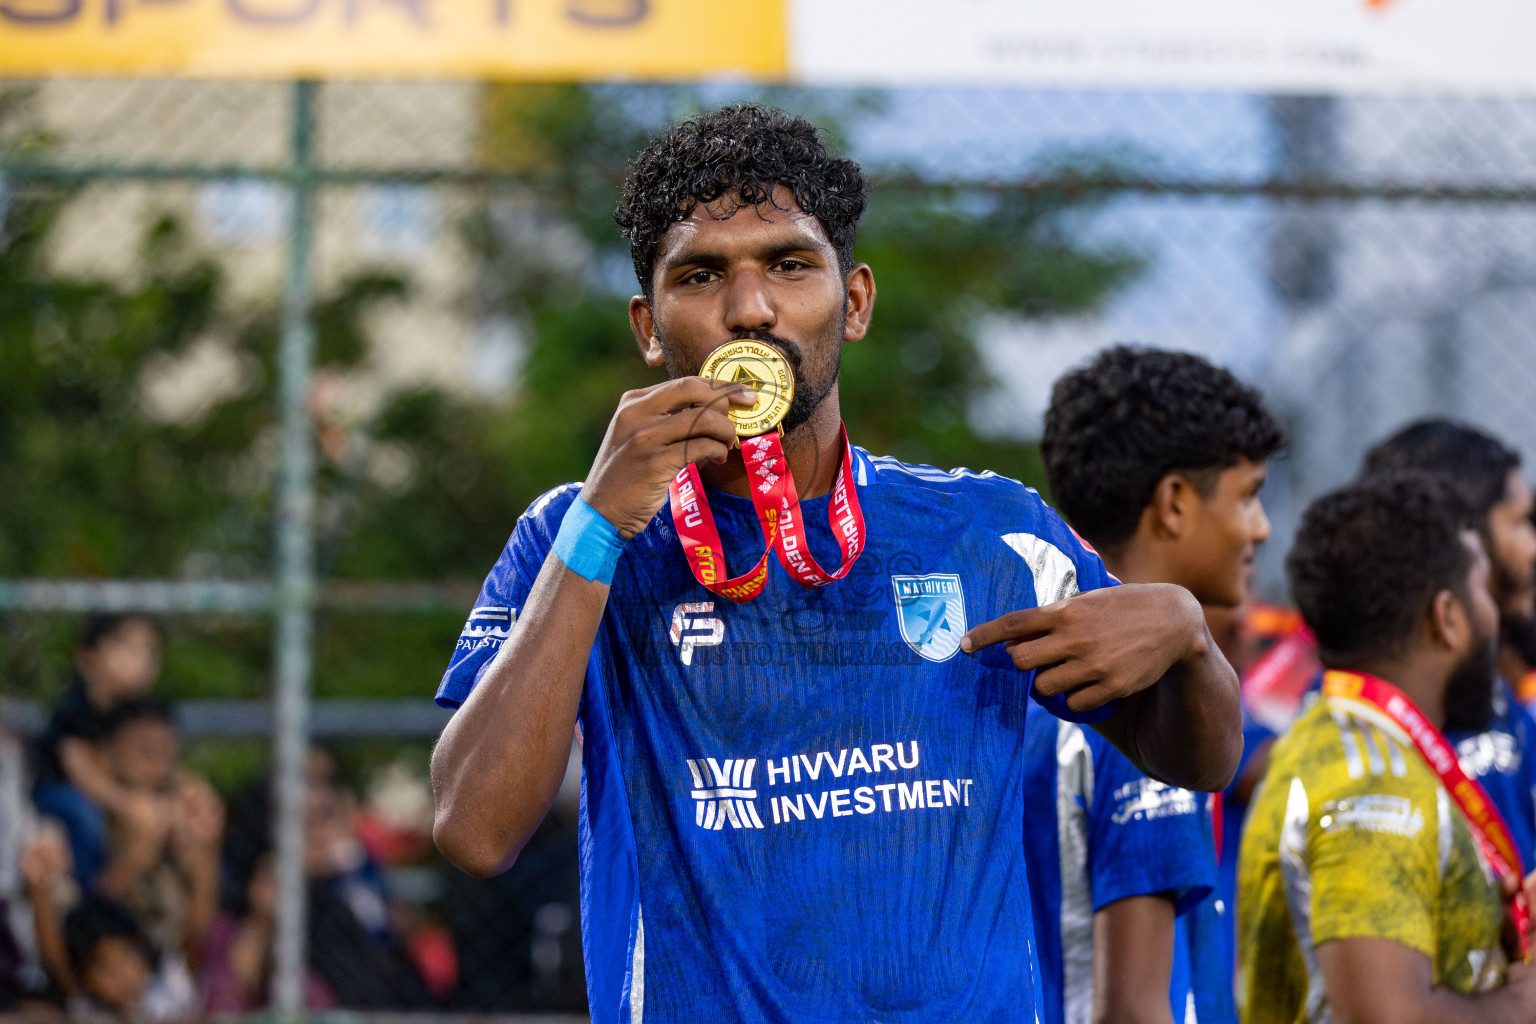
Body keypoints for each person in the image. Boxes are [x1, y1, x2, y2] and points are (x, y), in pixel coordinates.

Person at [429, 103, 1242, 1023]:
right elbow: (474, 831)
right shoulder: (574, 538)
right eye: (701, 274)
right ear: (649, 327)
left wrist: (1188, 638)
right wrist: (598, 528)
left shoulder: (987, 531)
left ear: (852, 303)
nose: (750, 310)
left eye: (789, 264)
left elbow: (1199, 760)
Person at [1037, 345, 1283, 1024]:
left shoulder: (1031, 676)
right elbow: (1136, 1008)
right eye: (1248, 495)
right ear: (1174, 503)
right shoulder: (1144, 708)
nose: (1261, 527)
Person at [1239, 472, 1536, 1022]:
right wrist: (1524, 1001)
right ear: (1447, 618)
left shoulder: (1340, 738)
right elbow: (1388, 1015)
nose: (1494, 614)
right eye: (1482, 590)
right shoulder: (1374, 785)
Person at [1360, 419, 1536, 869]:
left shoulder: (1502, 698)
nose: (1533, 548)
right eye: (1521, 523)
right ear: (1463, 539)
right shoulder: (1360, 712)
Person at [31, 613, 164, 889]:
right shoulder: (77, 708)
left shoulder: (138, 714)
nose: (140, 661)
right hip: (62, 794)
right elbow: (78, 767)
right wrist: (126, 804)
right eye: (127, 648)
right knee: (86, 820)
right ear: (88, 658)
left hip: (111, 796)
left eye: (149, 651)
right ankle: (91, 896)